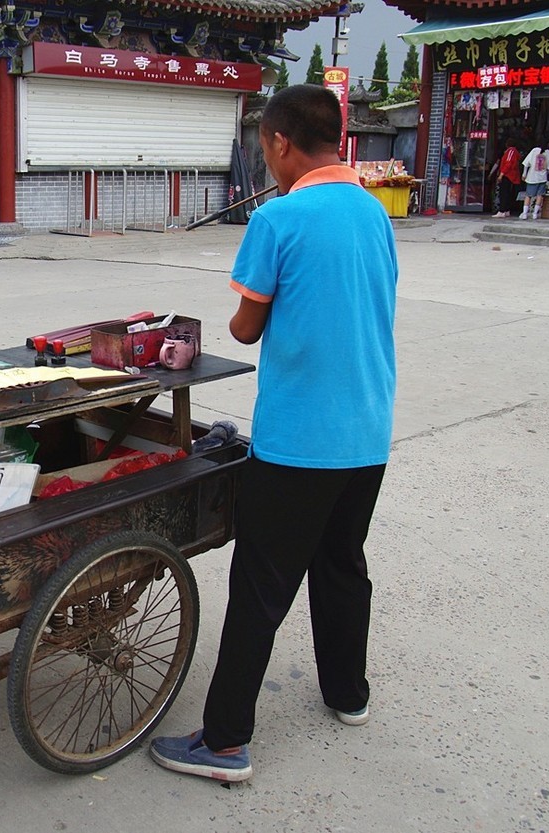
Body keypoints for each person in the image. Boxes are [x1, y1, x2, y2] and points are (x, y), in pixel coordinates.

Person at [148, 84, 398, 783]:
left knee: (262, 583)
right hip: (368, 429)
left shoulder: (279, 218)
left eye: (265, 147)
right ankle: (349, 695)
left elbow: (245, 326)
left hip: (300, 441)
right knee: (343, 561)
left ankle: (224, 740)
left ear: (281, 143)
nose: (267, 159)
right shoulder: (375, 213)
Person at [520, 141, 549, 220]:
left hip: (532, 177)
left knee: (528, 195)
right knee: (539, 196)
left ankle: (525, 213)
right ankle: (535, 213)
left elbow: (526, 163)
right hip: (542, 178)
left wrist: (524, 174)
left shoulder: (535, 150)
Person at [490, 137, 522, 218]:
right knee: (508, 193)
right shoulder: (514, 152)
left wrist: (501, 174)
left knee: (503, 193)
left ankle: (502, 210)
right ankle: (507, 210)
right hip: (511, 176)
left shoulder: (511, 151)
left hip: (507, 175)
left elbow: (508, 164)